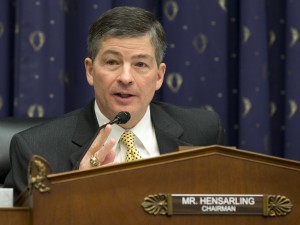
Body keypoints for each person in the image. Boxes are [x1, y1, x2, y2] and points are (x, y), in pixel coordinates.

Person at [4, 6, 224, 199]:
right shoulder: (37, 150)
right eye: (112, 62)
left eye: (140, 64)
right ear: (90, 71)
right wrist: (74, 192)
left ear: (159, 76)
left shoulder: (202, 132)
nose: (125, 78)